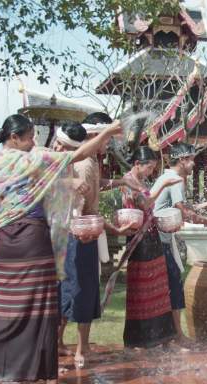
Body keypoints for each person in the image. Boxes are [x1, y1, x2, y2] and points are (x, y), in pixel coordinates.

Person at [0, 114, 122, 384]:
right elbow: (78, 155)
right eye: (30, 137)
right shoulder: (31, 159)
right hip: (32, 241)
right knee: (41, 313)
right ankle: (44, 377)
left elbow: (3, 198)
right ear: (14, 137)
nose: (33, 142)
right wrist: (108, 131)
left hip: (4, 243)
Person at [52, 121, 131, 367]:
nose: (107, 144)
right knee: (78, 292)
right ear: (95, 136)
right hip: (79, 233)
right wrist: (106, 226)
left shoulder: (90, 161)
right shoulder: (83, 161)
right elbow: (84, 207)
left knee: (74, 291)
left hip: (77, 232)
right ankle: (80, 349)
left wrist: (120, 183)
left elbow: (96, 187)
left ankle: (66, 344)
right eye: (105, 139)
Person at [151, 142, 207, 346]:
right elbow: (183, 212)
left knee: (167, 286)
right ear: (182, 160)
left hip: (159, 239)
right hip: (160, 240)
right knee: (173, 286)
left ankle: (168, 336)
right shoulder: (176, 179)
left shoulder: (167, 177)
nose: (194, 163)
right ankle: (177, 336)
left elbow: (181, 207)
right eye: (191, 159)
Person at [121, 146, 183, 349]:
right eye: (149, 168)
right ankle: (139, 341)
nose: (151, 172)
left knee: (159, 291)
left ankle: (162, 339)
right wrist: (163, 183)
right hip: (139, 242)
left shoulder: (141, 181)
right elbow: (146, 203)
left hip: (152, 238)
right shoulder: (128, 181)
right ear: (138, 164)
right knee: (142, 291)